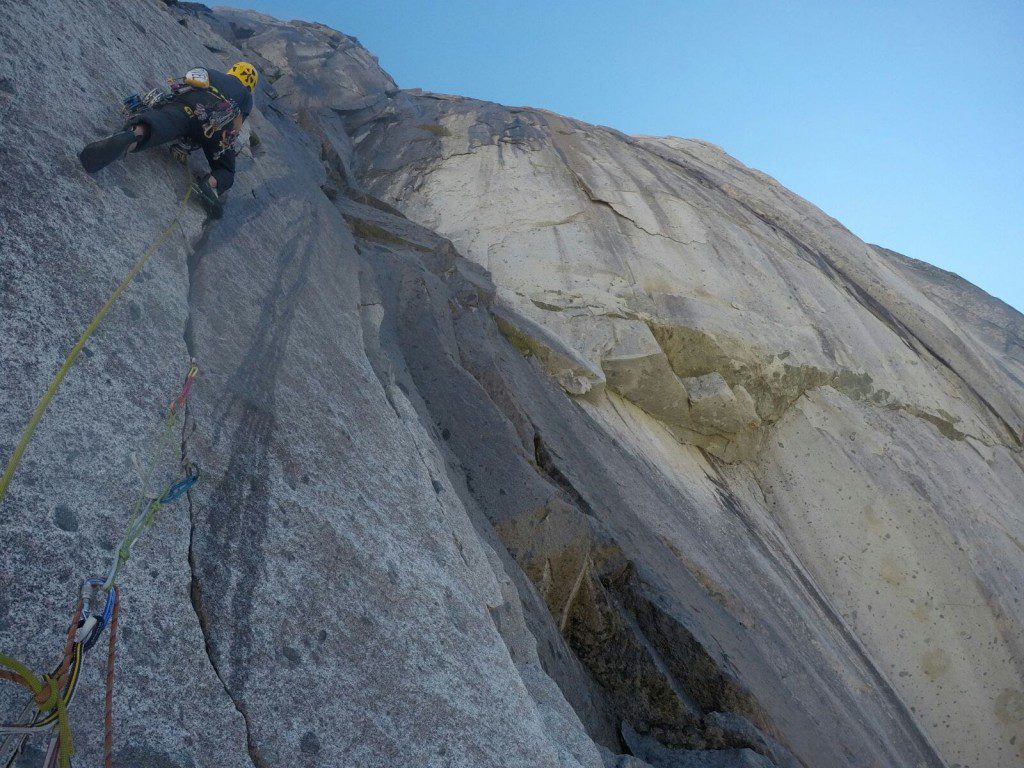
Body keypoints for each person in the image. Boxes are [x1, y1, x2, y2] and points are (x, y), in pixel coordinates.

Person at [80, 62, 258, 216]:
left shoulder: (213, 73)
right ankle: (211, 183)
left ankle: (133, 136)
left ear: (232, 70)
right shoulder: (246, 97)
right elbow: (237, 125)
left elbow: (189, 79)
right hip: (217, 128)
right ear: (251, 84)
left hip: (189, 106)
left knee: (160, 122)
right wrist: (226, 139)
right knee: (226, 169)